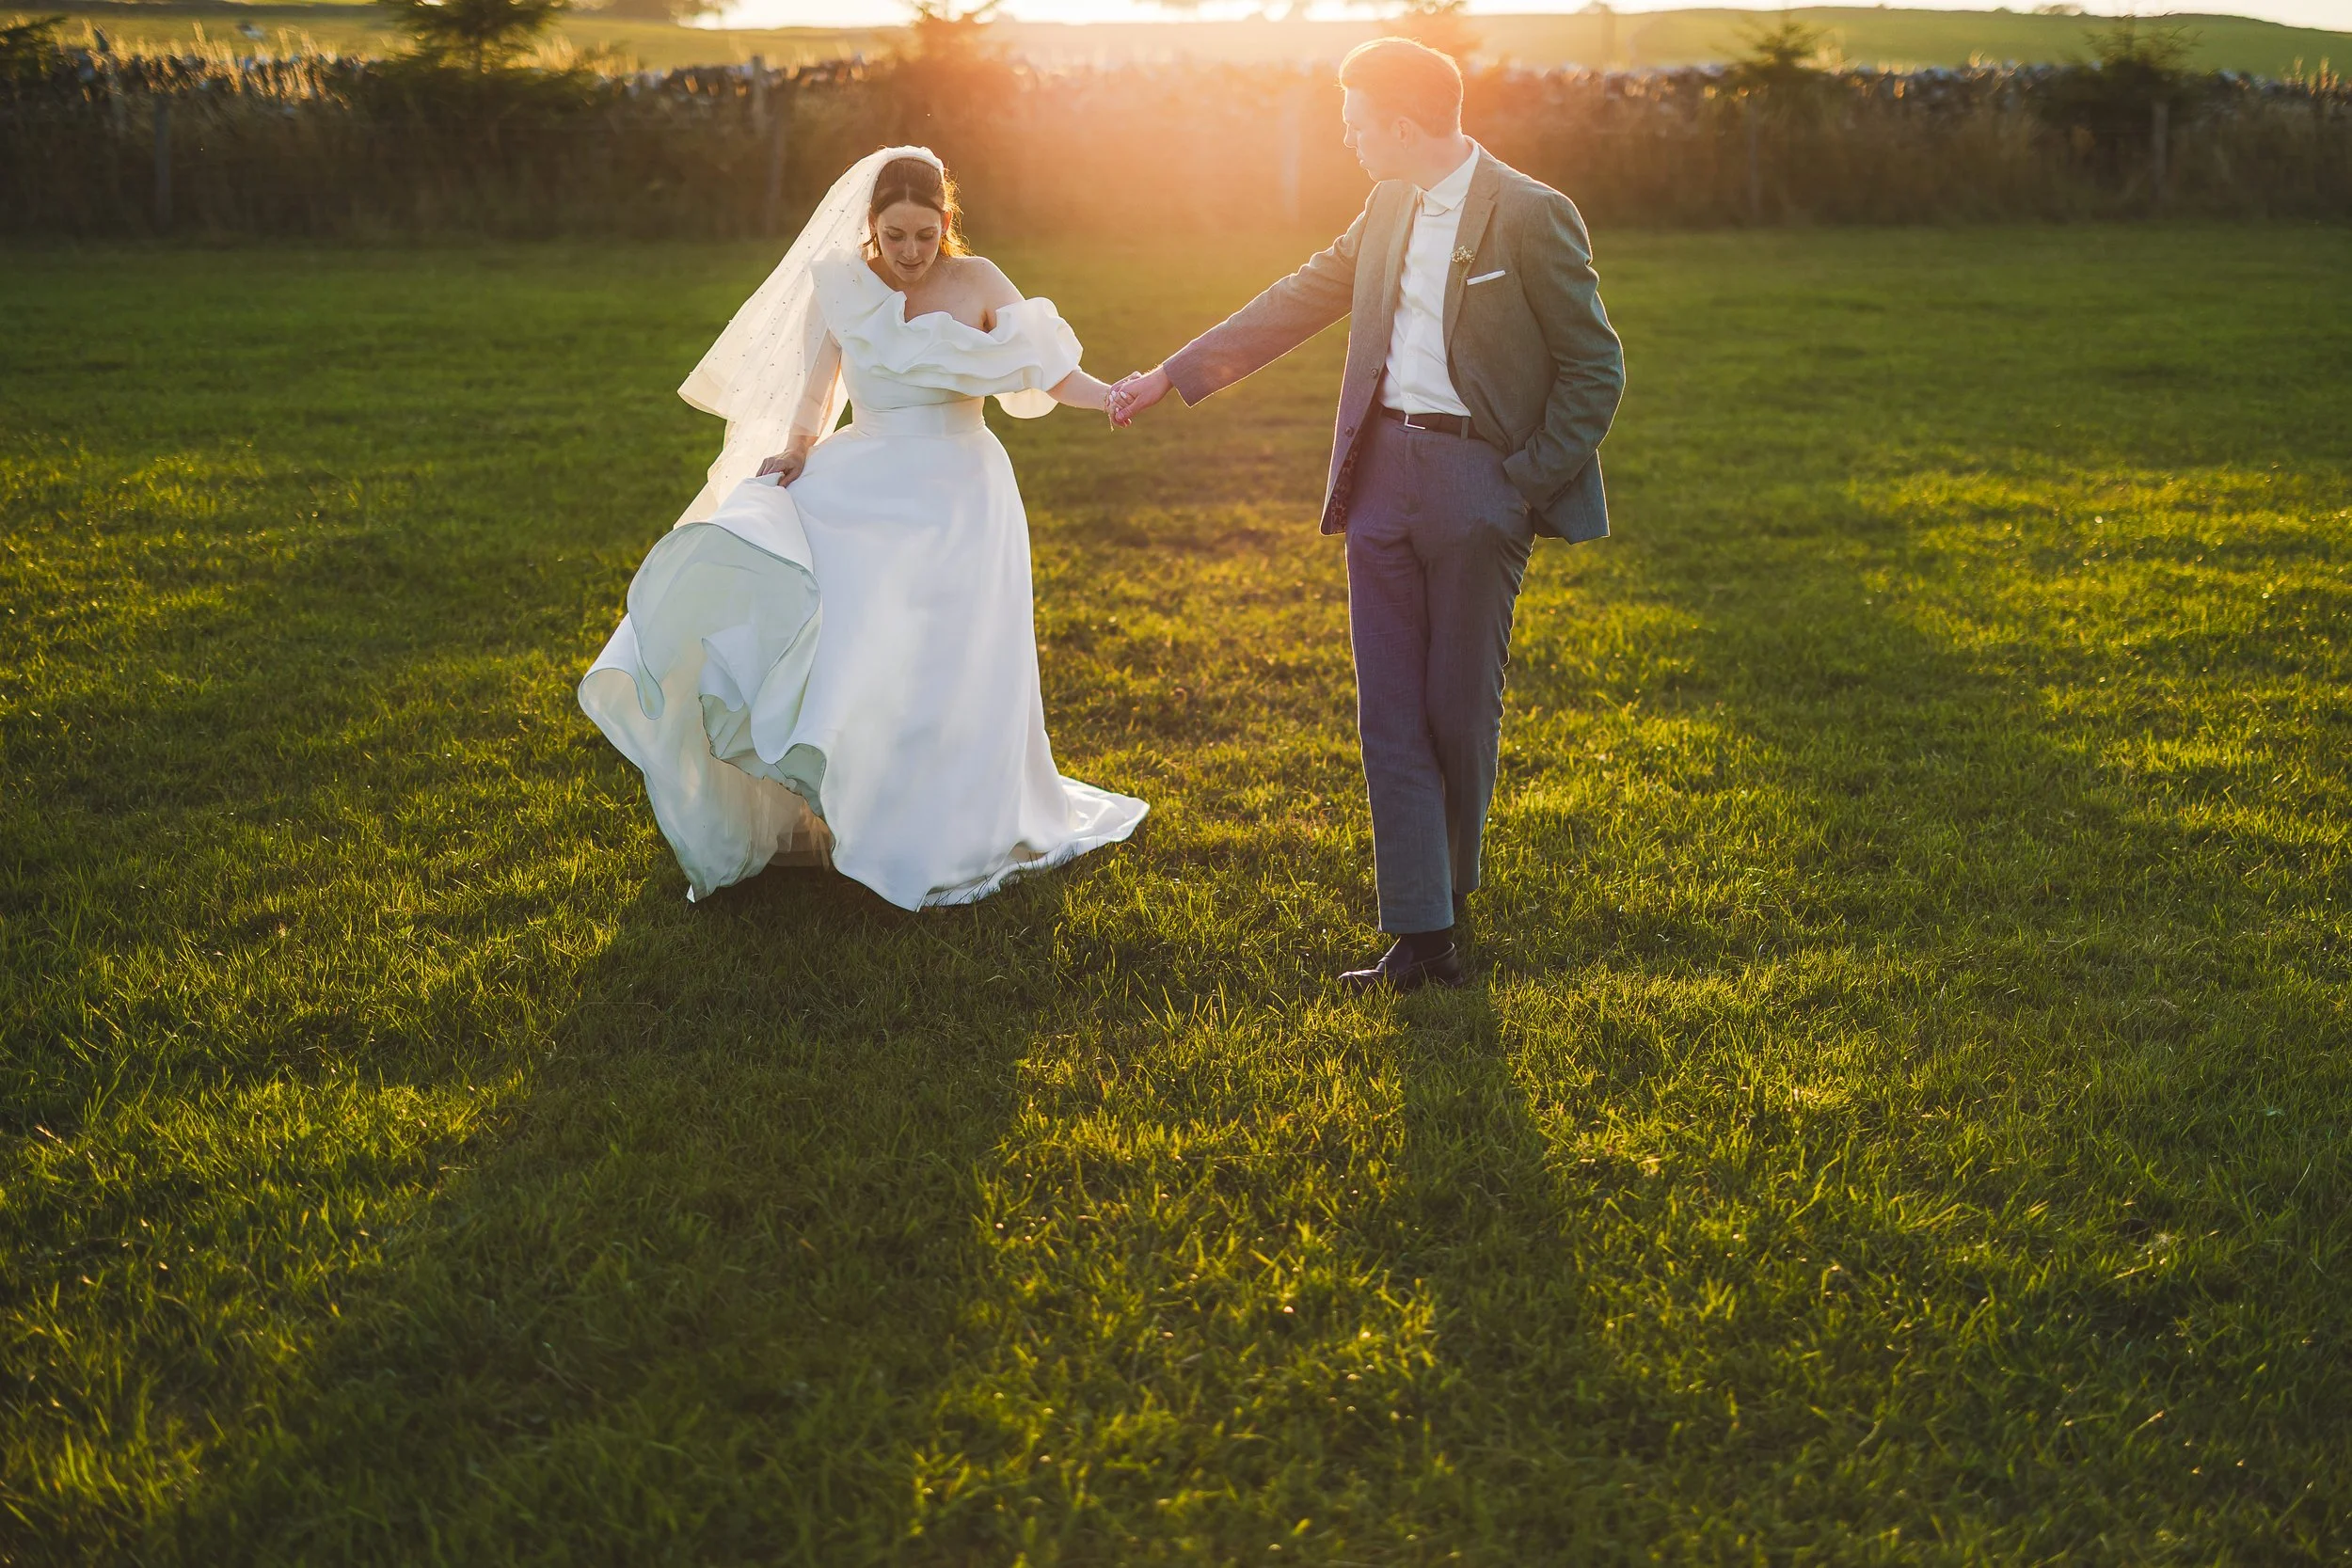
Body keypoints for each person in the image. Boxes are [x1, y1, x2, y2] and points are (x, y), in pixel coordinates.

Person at [1109, 39, 1625, 992]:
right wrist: (1171, 376)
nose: (1346, 139)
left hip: (1482, 483)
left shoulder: (1532, 213)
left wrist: (1522, 480)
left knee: (1457, 709)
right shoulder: (1385, 205)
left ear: (1400, 121)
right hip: (1378, 476)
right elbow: (1298, 298)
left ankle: (1450, 891)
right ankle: (1421, 935)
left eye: (1354, 123)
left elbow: (1596, 365)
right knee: (1388, 710)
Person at [581, 148, 1147, 910]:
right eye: (895, 235)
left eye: (925, 234)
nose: (910, 253)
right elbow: (820, 388)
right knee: (830, 610)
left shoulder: (980, 282)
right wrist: (795, 450)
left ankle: (945, 819)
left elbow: (1047, 371)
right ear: (871, 227)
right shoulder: (843, 286)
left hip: (961, 493)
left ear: (946, 224)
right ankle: (833, 798)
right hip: (868, 469)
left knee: (950, 653)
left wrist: (1110, 395)